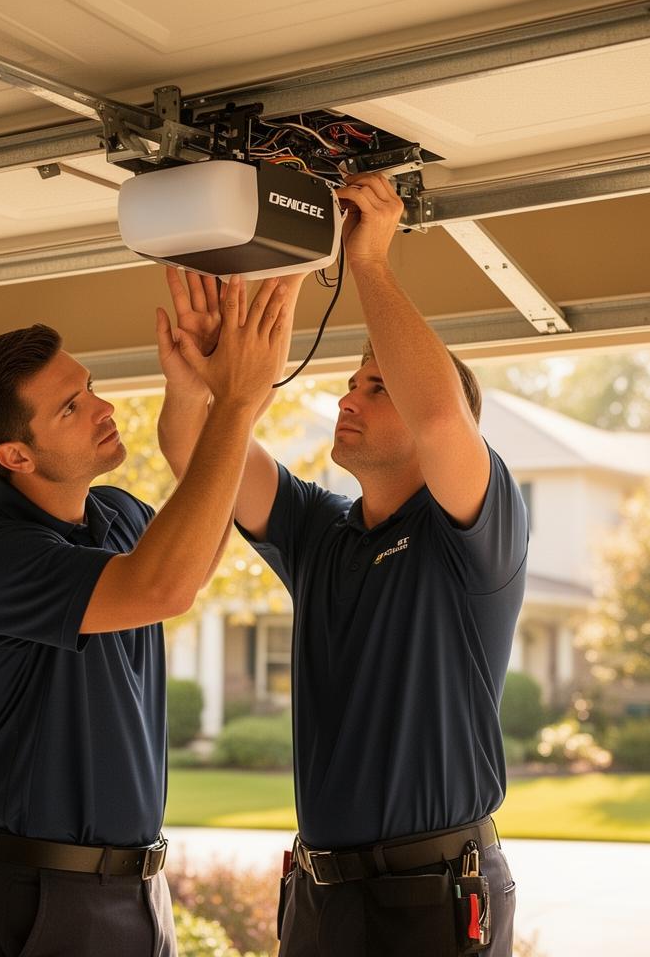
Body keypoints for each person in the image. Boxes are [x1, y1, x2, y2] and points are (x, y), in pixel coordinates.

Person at [160, 172, 528, 957]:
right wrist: (198, 383)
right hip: (320, 896)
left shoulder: (476, 533)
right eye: (352, 383)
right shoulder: (319, 530)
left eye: (377, 387)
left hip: (430, 892)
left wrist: (369, 261)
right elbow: (198, 458)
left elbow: (441, 415)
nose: (346, 399)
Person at [0, 275, 291, 957]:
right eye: (71, 407)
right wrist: (235, 404)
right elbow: (163, 587)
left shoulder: (118, 515)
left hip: (138, 888)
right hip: (44, 894)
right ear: (16, 456)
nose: (103, 407)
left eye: (90, 387)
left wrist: (196, 394)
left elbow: (190, 562)